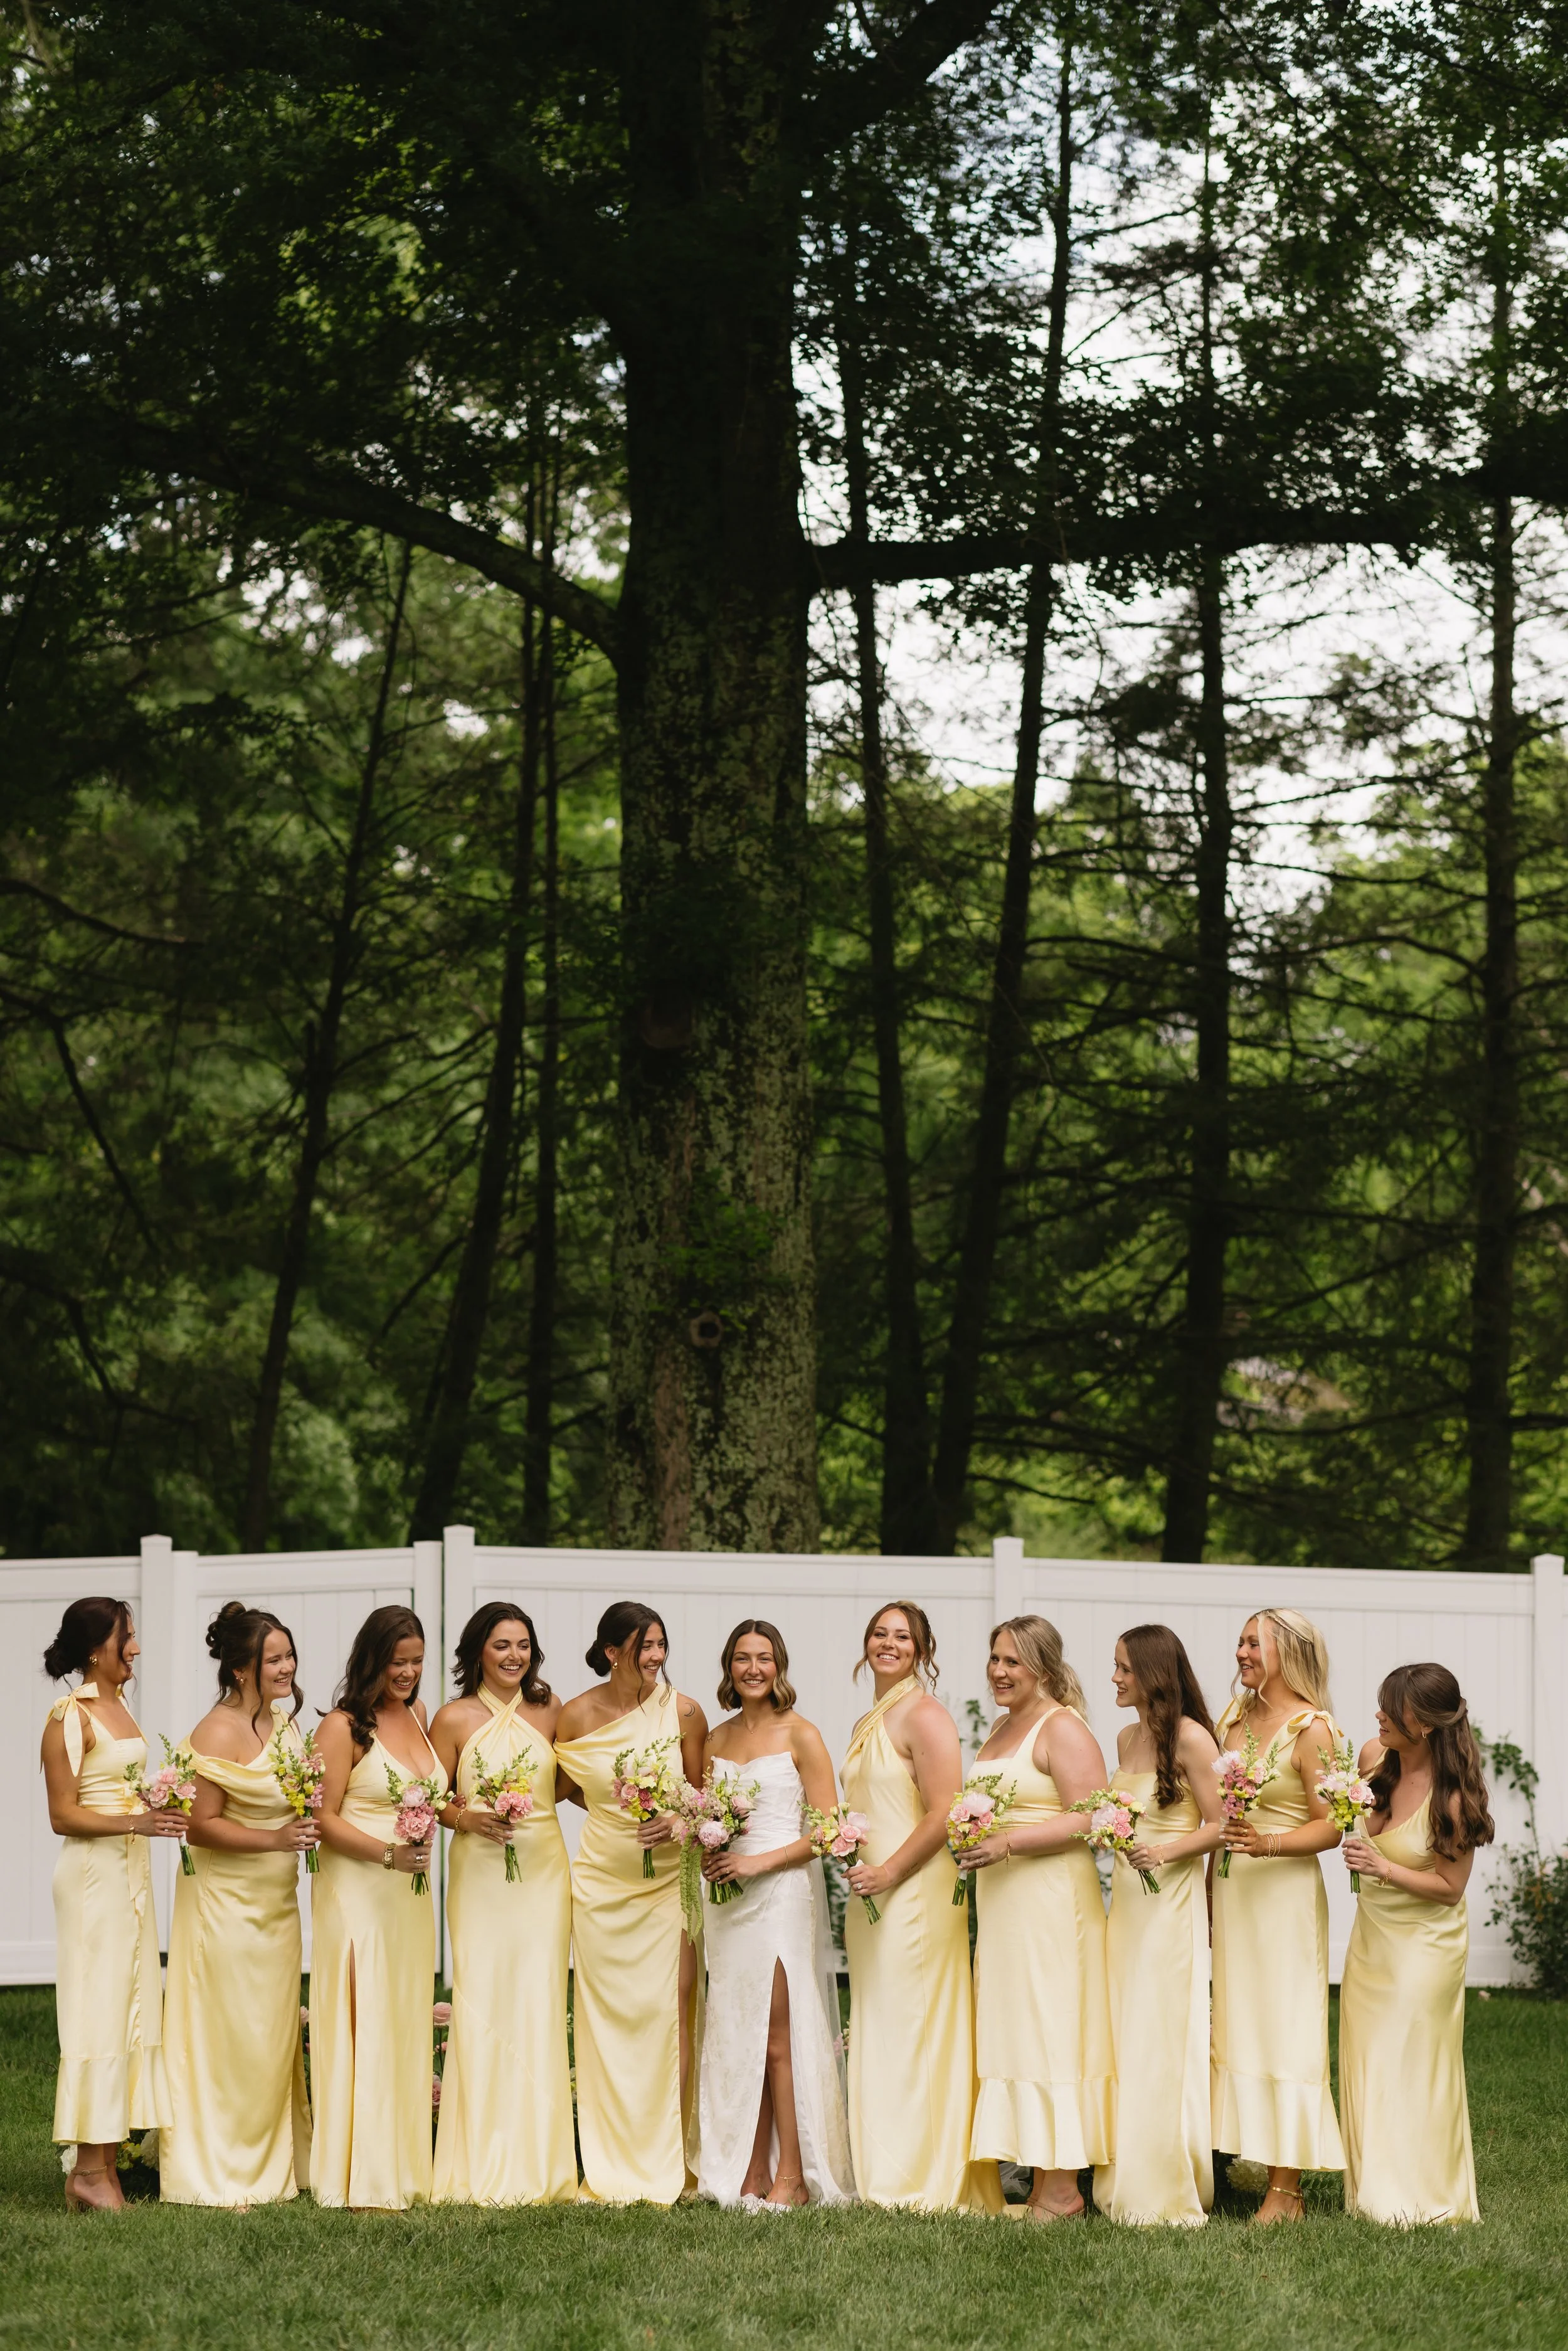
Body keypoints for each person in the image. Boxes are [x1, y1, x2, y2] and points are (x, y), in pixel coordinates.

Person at [840, 1601, 1000, 2213]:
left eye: (901, 1636)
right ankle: (884, 2164)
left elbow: (942, 1812)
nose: (888, 1643)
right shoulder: (867, 1718)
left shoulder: (925, 1715)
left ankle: (923, 2175)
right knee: (882, 2021)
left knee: (915, 2023)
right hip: (872, 1892)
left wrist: (888, 1871)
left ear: (921, 1650)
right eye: (879, 1632)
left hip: (913, 1891)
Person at [161, 1603, 316, 2207]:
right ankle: (218, 2167)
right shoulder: (216, 1730)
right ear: (242, 1669)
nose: (287, 1667)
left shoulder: (285, 1724)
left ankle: (274, 2156)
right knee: (230, 2031)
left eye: (288, 1655)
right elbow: (199, 1827)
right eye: (273, 1658)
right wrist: (277, 1838)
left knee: (270, 2031)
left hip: (277, 1905)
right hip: (224, 1906)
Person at [696, 1619, 854, 2209]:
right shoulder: (715, 1740)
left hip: (780, 1894)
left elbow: (827, 1831)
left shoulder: (803, 1735)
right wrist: (711, 1846)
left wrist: (758, 1865)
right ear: (729, 1667)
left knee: (779, 2038)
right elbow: (706, 1815)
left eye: (764, 1658)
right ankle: (749, 2168)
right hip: (728, 1902)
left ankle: (794, 2173)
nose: (754, 1669)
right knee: (742, 2032)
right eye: (742, 1658)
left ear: (779, 1665)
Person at [554, 1601, 707, 2204]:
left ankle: (676, 2159)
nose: (656, 1657)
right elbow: (565, 1788)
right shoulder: (574, 1715)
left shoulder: (686, 1712)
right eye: (644, 1646)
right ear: (613, 1651)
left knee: (674, 2008)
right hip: (602, 1887)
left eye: (662, 1645)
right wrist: (614, 1814)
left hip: (671, 1883)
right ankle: (611, 2156)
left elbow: (705, 1798)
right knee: (608, 2019)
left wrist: (673, 1819)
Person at [961, 1615, 1111, 2221]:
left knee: (1055, 2028)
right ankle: (1038, 2173)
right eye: (995, 1659)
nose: (999, 1671)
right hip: (1002, 1903)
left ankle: (1063, 2188)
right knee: (1018, 2027)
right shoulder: (1001, 1727)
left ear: (1043, 1669)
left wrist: (1008, 1844)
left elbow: (1092, 1817)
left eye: (1012, 1662)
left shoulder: (1063, 1728)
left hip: (1050, 1902)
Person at [429, 1601, 576, 2205]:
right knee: (484, 1993)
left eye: (523, 1645)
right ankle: (478, 2156)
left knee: (539, 1996)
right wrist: (470, 1817)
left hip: (542, 1869)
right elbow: (430, 1798)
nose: (514, 1656)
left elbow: (568, 1780)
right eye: (501, 1646)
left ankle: (540, 2160)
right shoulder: (453, 1717)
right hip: (480, 1870)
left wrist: (532, 1808)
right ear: (477, 1653)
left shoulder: (551, 1710)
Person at [1338, 1662, 1492, 2226]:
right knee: (1368, 2058)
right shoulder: (1371, 1761)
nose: (1378, 1713)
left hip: (1423, 1949)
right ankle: (1372, 2189)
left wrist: (1380, 1867)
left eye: (1390, 1707)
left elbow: (1450, 1890)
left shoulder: (1452, 1799)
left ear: (1424, 1724)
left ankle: (1419, 2196)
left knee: (1412, 2064)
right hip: (1372, 1939)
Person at [41, 1596, 180, 2212]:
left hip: (130, 1879)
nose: (137, 1647)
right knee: (97, 2009)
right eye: (127, 1636)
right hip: (93, 1881)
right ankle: (90, 2170)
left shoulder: (120, 1707)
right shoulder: (68, 1715)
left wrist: (151, 1814)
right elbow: (62, 1812)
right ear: (96, 1646)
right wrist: (139, 1820)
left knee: (129, 2006)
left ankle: (99, 2166)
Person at [310, 1605, 445, 2210]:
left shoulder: (418, 1716)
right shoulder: (341, 1727)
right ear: (374, 1658)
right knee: (366, 2020)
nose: (410, 1672)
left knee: (402, 2020)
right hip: (360, 1890)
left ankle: (402, 2165)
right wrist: (389, 1855)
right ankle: (362, 2178)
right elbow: (319, 1818)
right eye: (399, 1661)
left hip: (409, 1899)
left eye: (417, 1661)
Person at [1212, 1606, 1345, 2221]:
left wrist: (1266, 1843)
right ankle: (1235, 2159)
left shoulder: (1312, 1728)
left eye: (1253, 1644)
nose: (1240, 1653)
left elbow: (1331, 1827)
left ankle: (1285, 2187)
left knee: (1284, 2024)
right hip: (1232, 1890)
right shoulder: (1233, 1718)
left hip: (1284, 1896)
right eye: (1239, 1642)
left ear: (1287, 1654)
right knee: (1236, 2021)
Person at [1093, 1625, 1223, 2227]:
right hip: (1128, 1905)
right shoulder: (1125, 1738)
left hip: (1170, 1907)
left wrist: (1168, 1853)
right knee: (1127, 2029)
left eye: (1124, 1668)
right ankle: (1124, 2166)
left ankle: (1168, 2177)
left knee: (1162, 2032)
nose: (1115, 1678)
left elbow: (1226, 1825)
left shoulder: (1193, 1739)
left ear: (1153, 1673)